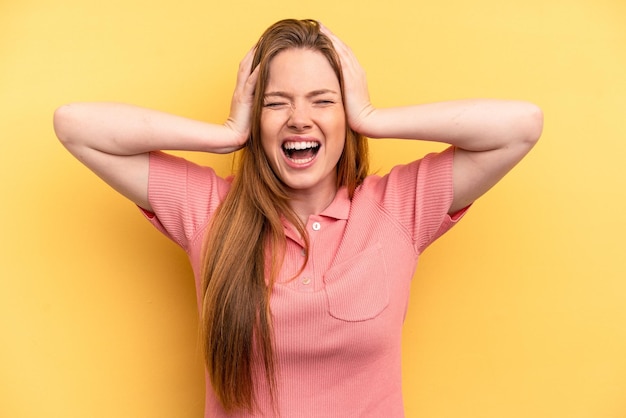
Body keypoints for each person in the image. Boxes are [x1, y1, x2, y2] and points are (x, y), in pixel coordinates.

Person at [54, 18, 542, 418]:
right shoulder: (209, 211)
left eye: (322, 101)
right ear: (256, 120)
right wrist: (225, 133)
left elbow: (521, 126)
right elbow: (75, 125)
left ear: (344, 116)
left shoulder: (399, 208)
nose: (298, 118)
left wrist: (372, 118)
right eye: (276, 103)